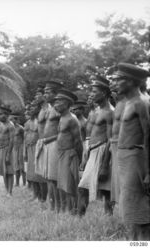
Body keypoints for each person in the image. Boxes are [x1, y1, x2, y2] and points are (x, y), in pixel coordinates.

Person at [114, 63, 150, 240]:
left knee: (141, 211)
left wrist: (148, 173)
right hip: (125, 158)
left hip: (136, 158)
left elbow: (149, 138)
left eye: (119, 79)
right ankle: (134, 242)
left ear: (131, 81)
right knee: (131, 208)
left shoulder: (142, 103)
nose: (115, 82)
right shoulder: (129, 102)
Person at [78, 75, 114, 217]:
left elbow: (111, 139)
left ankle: (107, 217)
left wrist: (105, 164)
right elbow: (88, 135)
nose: (91, 94)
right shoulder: (94, 111)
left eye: (94, 92)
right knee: (83, 187)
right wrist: (85, 155)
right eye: (90, 91)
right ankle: (79, 218)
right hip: (91, 151)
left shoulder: (110, 112)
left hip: (103, 151)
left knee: (105, 189)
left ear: (104, 93)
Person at [54, 89, 83, 214]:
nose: (56, 104)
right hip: (61, 153)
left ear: (66, 103)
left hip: (70, 154)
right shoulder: (61, 118)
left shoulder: (72, 119)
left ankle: (74, 210)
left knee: (70, 183)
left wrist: (80, 159)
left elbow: (78, 141)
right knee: (62, 183)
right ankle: (67, 208)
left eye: (59, 102)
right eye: (55, 102)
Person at [39, 80, 63, 212]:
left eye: (48, 92)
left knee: (55, 178)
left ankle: (59, 207)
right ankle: (52, 205)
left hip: (55, 144)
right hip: (47, 145)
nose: (45, 94)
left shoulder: (60, 109)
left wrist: (51, 139)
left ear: (56, 93)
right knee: (49, 178)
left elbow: (63, 130)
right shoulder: (49, 108)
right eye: (45, 92)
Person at [108, 74, 126, 205]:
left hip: (126, 147)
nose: (111, 84)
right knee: (118, 184)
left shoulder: (132, 103)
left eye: (115, 82)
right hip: (115, 147)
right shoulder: (118, 104)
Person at [0, 105, 15, 197]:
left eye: (0, 114)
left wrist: (8, 154)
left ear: (6, 115)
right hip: (1, 148)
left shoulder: (10, 125)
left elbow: (12, 140)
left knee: (9, 171)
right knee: (4, 171)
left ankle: (10, 192)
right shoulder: (0, 124)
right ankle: (7, 190)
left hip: (8, 149)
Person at [10, 112, 26, 187]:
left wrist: (23, 149)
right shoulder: (11, 129)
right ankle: (17, 183)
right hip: (14, 148)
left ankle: (24, 182)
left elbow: (24, 139)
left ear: (16, 120)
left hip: (21, 147)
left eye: (12, 119)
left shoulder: (20, 128)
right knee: (16, 166)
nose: (11, 121)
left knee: (22, 166)